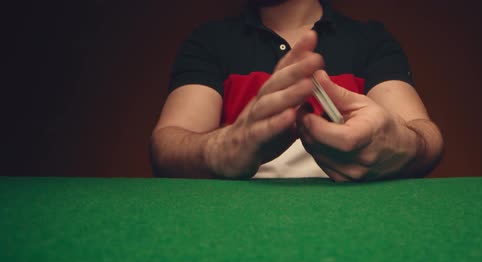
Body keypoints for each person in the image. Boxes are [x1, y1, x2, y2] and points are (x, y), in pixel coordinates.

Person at [150, 0, 443, 181]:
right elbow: (167, 145)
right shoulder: (209, 41)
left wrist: (402, 145)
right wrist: (223, 149)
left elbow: (425, 134)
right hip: (235, 223)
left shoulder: (371, 39)